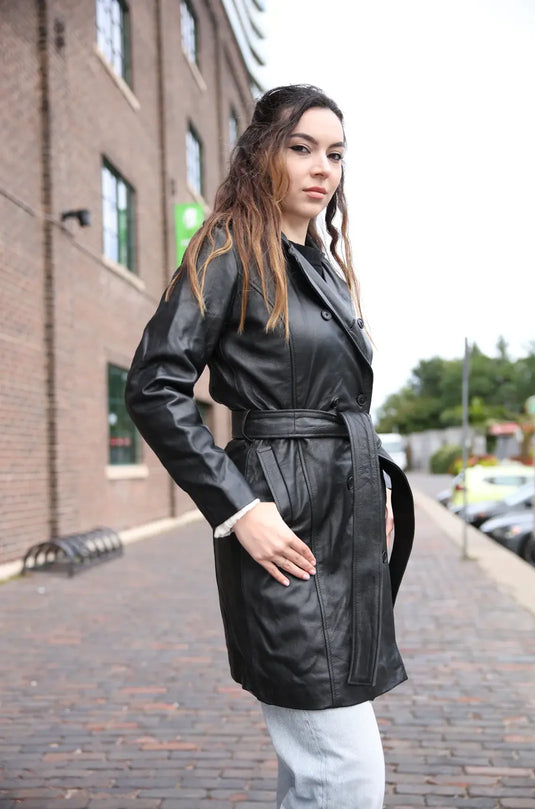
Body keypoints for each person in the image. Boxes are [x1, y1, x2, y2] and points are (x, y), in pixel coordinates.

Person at [125, 83, 415, 809]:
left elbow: (339, 399)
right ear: (262, 153)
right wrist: (238, 507)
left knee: (316, 764)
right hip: (282, 520)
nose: (324, 168)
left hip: (340, 519)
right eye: (302, 147)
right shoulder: (230, 245)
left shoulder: (317, 264)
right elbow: (155, 386)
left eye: (337, 154)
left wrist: (371, 492)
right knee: (343, 767)